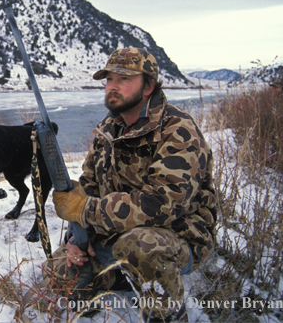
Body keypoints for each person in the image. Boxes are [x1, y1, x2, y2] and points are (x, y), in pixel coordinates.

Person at [46, 48, 217, 322]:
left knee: (140, 246)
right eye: (109, 79)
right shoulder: (108, 129)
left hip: (178, 235)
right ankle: (122, 277)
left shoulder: (177, 129)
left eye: (123, 79)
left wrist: (87, 211)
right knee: (58, 269)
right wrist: (76, 238)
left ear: (148, 86)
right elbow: (88, 186)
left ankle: (167, 314)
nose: (112, 87)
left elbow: (161, 204)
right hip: (117, 232)